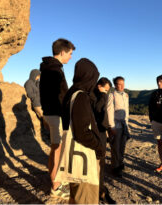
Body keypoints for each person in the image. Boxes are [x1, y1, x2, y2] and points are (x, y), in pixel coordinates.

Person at [62, 58, 104, 204]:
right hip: (83, 159)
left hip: (73, 157)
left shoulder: (71, 93)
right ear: (88, 76)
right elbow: (82, 133)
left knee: (75, 197)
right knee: (86, 199)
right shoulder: (81, 96)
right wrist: (99, 146)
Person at [39, 38, 75, 198]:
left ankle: (55, 179)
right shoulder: (55, 70)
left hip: (50, 113)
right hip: (56, 114)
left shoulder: (47, 67)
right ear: (62, 52)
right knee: (58, 150)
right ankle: (56, 187)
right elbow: (59, 96)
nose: (71, 57)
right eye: (70, 53)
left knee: (55, 148)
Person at [91, 77, 116, 204]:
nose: (106, 93)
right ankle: (97, 191)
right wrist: (103, 95)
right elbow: (98, 111)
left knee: (101, 162)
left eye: (107, 91)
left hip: (101, 133)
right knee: (96, 163)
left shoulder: (99, 95)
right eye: (105, 90)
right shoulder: (93, 96)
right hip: (94, 133)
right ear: (99, 86)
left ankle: (101, 189)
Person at [107, 76, 130, 177]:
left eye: (122, 84)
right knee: (115, 147)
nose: (121, 86)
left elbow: (127, 110)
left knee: (122, 146)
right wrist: (111, 127)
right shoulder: (112, 95)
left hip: (124, 124)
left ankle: (120, 164)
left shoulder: (125, 95)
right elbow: (109, 111)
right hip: (116, 125)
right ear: (115, 85)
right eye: (119, 84)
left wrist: (127, 124)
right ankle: (115, 167)